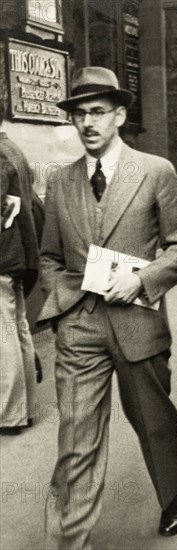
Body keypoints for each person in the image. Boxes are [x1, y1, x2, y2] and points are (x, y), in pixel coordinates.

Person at [38, 66, 177, 549]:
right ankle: (70, 539)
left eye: (98, 112)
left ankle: (172, 496)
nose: (88, 123)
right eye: (80, 114)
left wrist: (142, 279)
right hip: (80, 325)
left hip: (137, 322)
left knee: (153, 422)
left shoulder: (155, 171)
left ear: (120, 115)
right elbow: (48, 255)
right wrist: (63, 309)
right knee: (76, 438)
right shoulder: (61, 181)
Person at [0, 105, 39, 436]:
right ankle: (25, 409)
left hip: (2, 256)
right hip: (19, 254)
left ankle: (9, 414)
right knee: (18, 328)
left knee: (4, 335)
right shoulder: (13, 149)